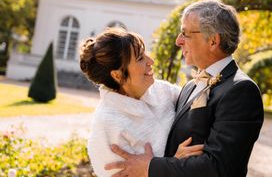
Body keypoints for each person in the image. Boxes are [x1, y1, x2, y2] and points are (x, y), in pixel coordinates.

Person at [105, 0, 264, 177]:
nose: (178, 41)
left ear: (213, 41)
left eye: (185, 33)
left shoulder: (241, 91)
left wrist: (150, 167)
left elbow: (218, 168)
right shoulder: (190, 86)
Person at [79, 28, 204, 177]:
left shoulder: (162, 91)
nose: (150, 61)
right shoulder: (107, 126)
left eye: (145, 54)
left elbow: (199, 102)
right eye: (140, 58)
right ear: (118, 75)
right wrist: (174, 164)